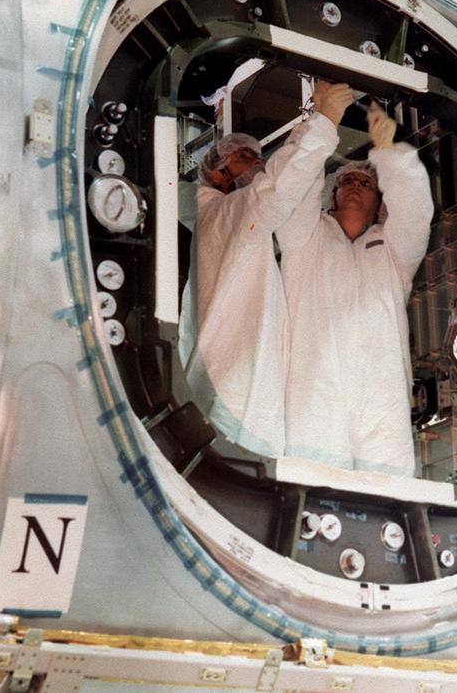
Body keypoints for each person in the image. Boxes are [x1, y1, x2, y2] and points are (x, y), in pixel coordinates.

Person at [181, 80, 352, 457]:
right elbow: (274, 192)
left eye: (259, 157)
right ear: (217, 173)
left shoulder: (234, 222)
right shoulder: (222, 214)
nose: (258, 162)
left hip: (244, 398)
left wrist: (314, 129)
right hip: (233, 396)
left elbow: (289, 194)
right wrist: (322, 122)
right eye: (245, 156)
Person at [278, 102, 434, 475]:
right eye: (346, 181)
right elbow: (294, 190)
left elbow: (415, 212)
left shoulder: (395, 252)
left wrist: (390, 156)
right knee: (313, 493)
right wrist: (324, 123)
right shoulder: (304, 238)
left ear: (381, 204)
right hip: (312, 396)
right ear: (331, 195)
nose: (354, 187)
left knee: (387, 497)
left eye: (365, 183)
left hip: (381, 400)